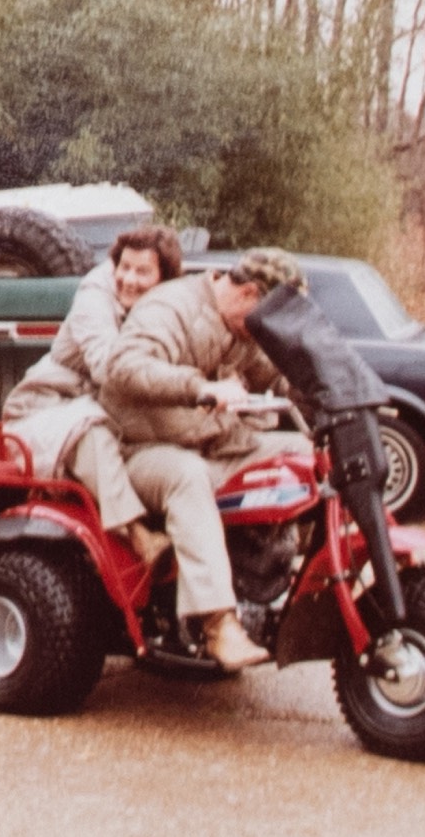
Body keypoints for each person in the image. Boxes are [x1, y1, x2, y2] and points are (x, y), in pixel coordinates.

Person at [98, 246, 313, 672]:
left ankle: (309, 579)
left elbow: (278, 377)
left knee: (304, 455)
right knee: (188, 477)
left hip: (210, 442)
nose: (265, 331)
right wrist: (198, 387)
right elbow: (122, 367)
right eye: (267, 317)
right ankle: (218, 626)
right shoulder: (171, 307)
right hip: (139, 451)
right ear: (249, 293)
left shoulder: (244, 329)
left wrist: (328, 389)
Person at [1, 225, 182, 565]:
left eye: (142, 272)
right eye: (124, 267)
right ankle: (138, 535)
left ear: (164, 278)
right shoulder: (94, 298)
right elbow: (108, 368)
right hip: (45, 408)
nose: (128, 279)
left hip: (100, 407)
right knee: (91, 431)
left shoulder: (166, 306)